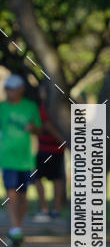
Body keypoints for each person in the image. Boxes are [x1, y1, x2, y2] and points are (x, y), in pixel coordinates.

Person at [0, 73, 41, 247]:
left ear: (20, 89)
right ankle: (15, 229)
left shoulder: (30, 107)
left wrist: (33, 128)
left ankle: (18, 227)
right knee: (11, 192)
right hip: (7, 157)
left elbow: (39, 129)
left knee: (23, 195)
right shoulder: (1, 107)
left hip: (25, 159)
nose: (9, 92)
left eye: (12, 89)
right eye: (6, 89)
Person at [33, 83, 66, 220]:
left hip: (50, 149)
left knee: (51, 179)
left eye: (42, 90)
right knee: (45, 178)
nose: (40, 93)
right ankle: (48, 209)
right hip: (44, 148)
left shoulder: (49, 108)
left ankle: (49, 209)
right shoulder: (47, 107)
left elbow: (46, 124)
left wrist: (61, 140)